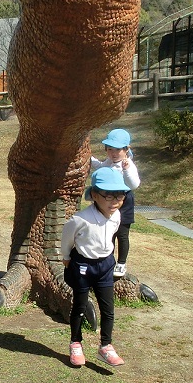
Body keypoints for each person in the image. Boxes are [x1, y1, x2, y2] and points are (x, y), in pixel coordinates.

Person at [61, 168, 130, 368]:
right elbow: (67, 238)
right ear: (94, 195)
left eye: (119, 195)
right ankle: (75, 343)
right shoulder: (80, 219)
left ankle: (105, 346)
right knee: (80, 306)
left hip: (105, 266)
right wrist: (66, 257)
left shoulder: (116, 216)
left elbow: (111, 236)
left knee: (108, 309)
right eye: (108, 195)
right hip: (83, 265)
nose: (114, 201)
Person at [90, 128, 141, 278]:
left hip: (124, 201)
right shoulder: (109, 161)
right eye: (110, 149)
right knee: (109, 231)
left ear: (126, 149)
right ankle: (108, 258)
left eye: (117, 150)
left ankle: (121, 263)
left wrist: (126, 170)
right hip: (109, 201)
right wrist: (90, 160)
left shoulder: (128, 164)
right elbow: (101, 167)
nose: (113, 153)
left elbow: (134, 185)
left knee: (122, 233)